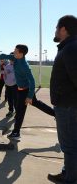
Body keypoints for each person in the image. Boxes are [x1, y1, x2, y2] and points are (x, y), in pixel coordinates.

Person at [0, 45, 55, 139]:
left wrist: (29, 96)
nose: (13, 52)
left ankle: (16, 132)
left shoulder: (25, 66)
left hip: (26, 91)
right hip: (20, 89)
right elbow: (3, 55)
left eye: (15, 51)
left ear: (21, 53)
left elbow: (32, 82)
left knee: (20, 111)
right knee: (34, 104)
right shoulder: (15, 58)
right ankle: (55, 113)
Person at [48, 15, 77, 184]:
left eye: (57, 27)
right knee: (70, 144)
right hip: (67, 105)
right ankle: (68, 173)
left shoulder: (71, 48)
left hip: (69, 107)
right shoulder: (69, 47)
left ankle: (70, 178)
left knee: (69, 145)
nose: (55, 30)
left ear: (63, 29)